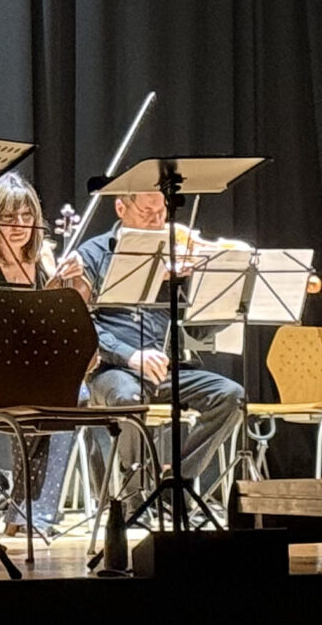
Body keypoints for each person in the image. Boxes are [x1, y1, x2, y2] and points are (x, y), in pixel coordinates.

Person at [72, 188, 246, 504]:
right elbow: (80, 323)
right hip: (113, 370)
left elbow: (196, 330)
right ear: (121, 208)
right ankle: (135, 493)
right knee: (128, 398)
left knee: (231, 395)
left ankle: (175, 479)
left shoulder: (176, 252)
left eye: (161, 212)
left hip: (166, 368)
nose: (156, 221)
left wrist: (226, 300)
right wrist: (130, 355)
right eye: (146, 213)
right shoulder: (93, 253)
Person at [0, 176, 95, 534]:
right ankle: (30, 512)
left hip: (31, 369)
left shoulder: (44, 258)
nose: (19, 226)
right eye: (9, 217)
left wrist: (76, 283)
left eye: (27, 217)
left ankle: (29, 510)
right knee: (43, 395)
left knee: (73, 394)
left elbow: (70, 313)